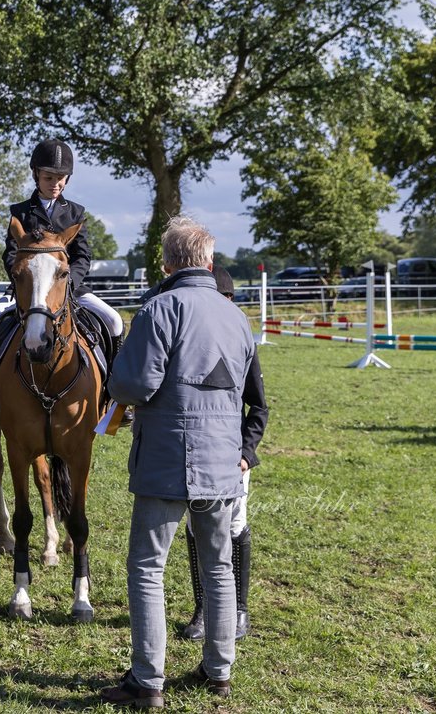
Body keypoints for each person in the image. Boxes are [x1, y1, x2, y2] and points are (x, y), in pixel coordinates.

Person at [98, 216, 265, 705]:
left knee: (148, 567)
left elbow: (135, 385)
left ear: (167, 262)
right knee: (218, 565)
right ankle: (220, 670)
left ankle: (147, 680)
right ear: (209, 262)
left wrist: (117, 384)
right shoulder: (237, 316)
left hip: (167, 457)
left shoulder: (159, 308)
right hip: (222, 463)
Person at [145, 264, 267, 642]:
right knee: (199, 535)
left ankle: (240, 610)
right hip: (194, 454)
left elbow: (259, 407)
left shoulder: (238, 336)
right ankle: (203, 609)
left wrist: (246, 452)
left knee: (233, 529)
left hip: (232, 455)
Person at [0, 137, 124, 424]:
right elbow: (11, 253)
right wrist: (21, 283)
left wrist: (68, 285)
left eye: (60, 178)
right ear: (36, 175)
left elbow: (83, 256)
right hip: (26, 291)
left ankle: (114, 400)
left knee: (114, 321)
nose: (55, 183)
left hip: (69, 289)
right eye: (49, 177)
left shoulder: (76, 212)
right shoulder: (20, 212)